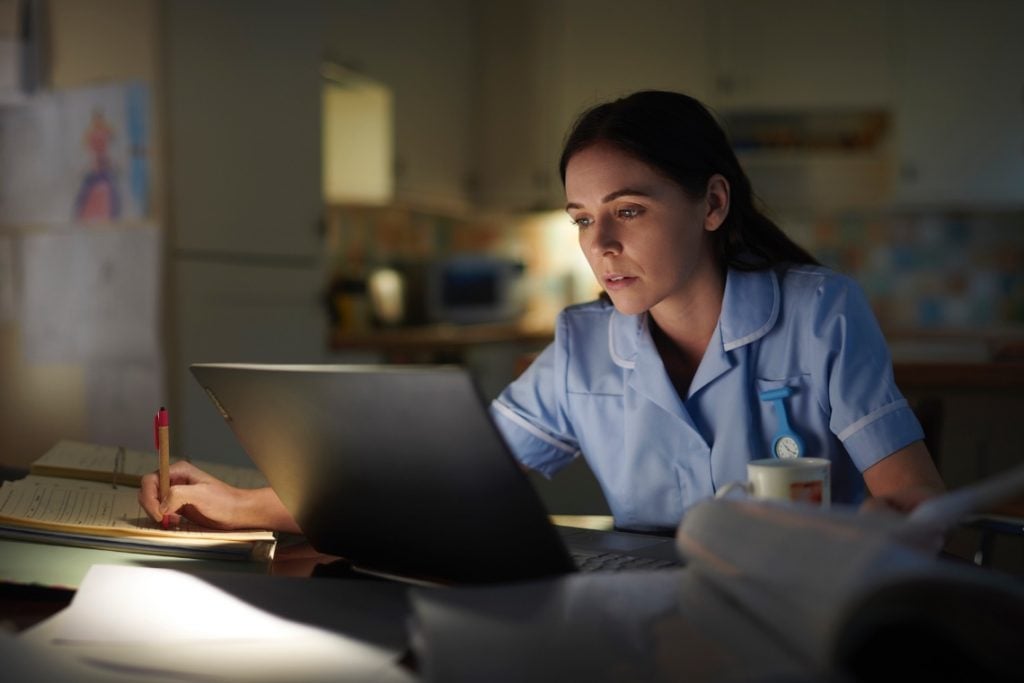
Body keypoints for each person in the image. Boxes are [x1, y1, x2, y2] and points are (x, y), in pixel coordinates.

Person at [140, 90, 944, 534]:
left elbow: (916, 508)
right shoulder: (583, 349)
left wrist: (863, 542)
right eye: (583, 218)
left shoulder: (822, 315)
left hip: (807, 629)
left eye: (628, 210)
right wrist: (251, 505)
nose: (600, 243)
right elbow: (438, 484)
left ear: (712, 204)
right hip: (650, 628)